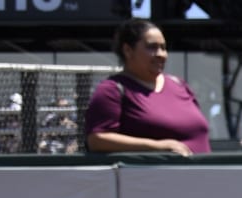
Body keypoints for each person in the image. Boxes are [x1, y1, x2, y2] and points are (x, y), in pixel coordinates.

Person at [85, 20, 209, 155]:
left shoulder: (179, 84)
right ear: (128, 50)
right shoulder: (112, 90)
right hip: (157, 175)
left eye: (163, 47)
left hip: (206, 175)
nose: (161, 54)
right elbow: (97, 139)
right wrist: (157, 147)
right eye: (152, 47)